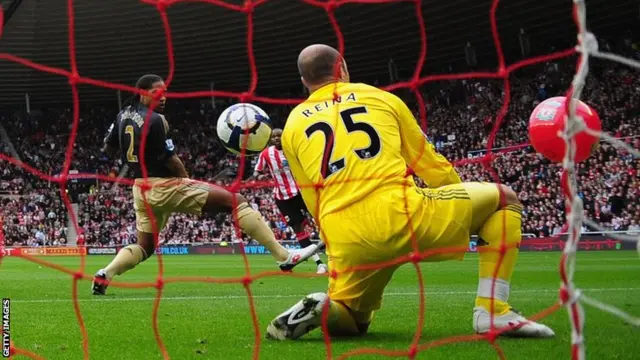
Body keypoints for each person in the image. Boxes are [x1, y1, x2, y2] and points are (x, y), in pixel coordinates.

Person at [265, 45, 554, 339]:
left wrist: (335, 241)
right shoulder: (381, 99)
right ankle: (492, 310)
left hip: (345, 234)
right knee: (504, 200)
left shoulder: (292, 127)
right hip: (404, 213)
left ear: (304, 81)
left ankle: (326, 308)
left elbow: (311, 197)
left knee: (353, 321)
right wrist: (461, 208)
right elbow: (430, 164)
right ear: (343, 68)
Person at [91, 74, 319, 295]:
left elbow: (107, 148)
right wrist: (186, 181)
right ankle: (284, 257)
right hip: (164, 185)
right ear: (142, 94)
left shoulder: (123, 115)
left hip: (140, 188)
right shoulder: (157, 119)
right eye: (156, 93)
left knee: (145, 247)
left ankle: (106, 273)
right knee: (236, 201)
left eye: (165, 93)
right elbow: (171, 158)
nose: (162, 97)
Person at [254, 128, 328, 274]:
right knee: (298, 228)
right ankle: (319, 263)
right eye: (273, 137)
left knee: (321, 219)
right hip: (283, 198)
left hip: (302, 192)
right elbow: (257, 171)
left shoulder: (292, 150)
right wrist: (259, 176)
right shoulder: (266, 154)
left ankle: (332, 249)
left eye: (279, 136)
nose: (276, 138)